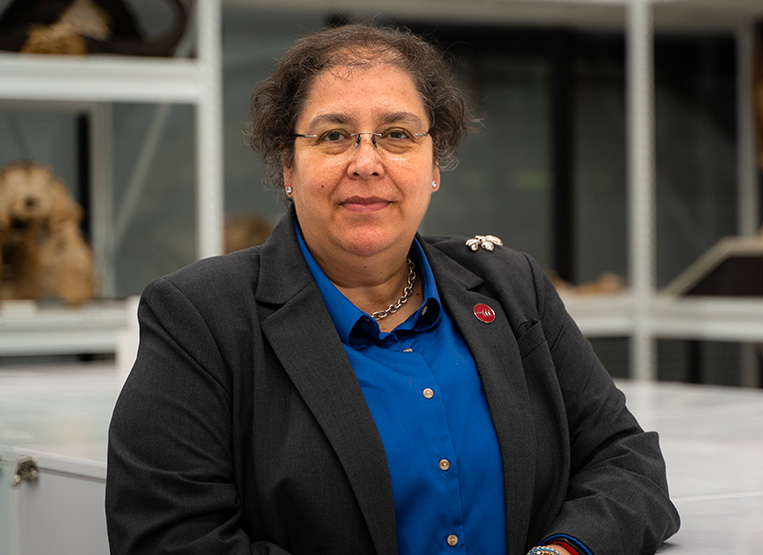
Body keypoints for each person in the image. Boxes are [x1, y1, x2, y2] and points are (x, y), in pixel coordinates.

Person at [106, 22, 679, 555]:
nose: (366, 163)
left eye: (397, 134)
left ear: (434, 162)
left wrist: (564, 552)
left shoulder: (511, 289)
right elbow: (172, 538)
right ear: (287, 164)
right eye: (334, 136)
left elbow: (627, 461)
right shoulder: (202, 316)